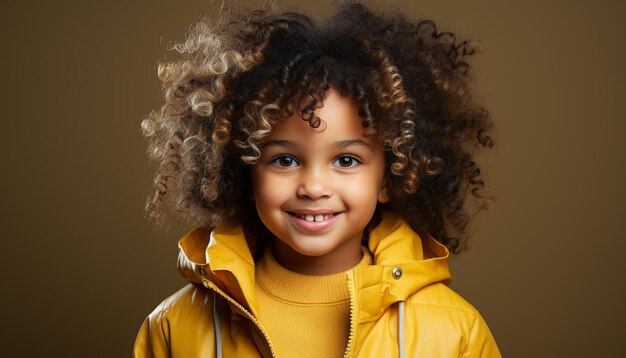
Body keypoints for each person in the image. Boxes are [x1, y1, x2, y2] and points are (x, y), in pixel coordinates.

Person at [133, 1, 501, 357]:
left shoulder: (455, 332)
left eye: (345, 159)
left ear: (389, 177)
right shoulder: (173, 328)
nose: (313, 187)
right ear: (246, 171)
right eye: (285, 159)